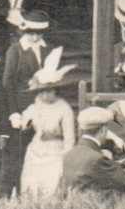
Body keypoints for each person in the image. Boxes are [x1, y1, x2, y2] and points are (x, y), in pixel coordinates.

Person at [11, 49, 78, 197]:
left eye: (49, 91)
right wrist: (23, 122)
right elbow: (27, 121)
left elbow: (69, 139)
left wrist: (67, 159)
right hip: (36, 150)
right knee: (32, 184)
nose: (45, 95)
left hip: (56, 151)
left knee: (52, 184)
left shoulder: (63, 108)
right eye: (41, 92)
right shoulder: (36, 105)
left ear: (55, 91)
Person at [59, 107, 125, 194]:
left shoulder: (69, 154)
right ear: (103, 130)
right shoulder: (97, 158)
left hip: (76, 205)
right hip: (94, 205)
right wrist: (121, 168)